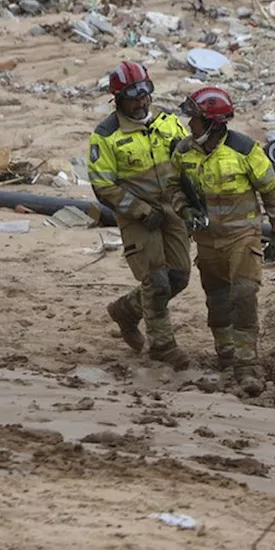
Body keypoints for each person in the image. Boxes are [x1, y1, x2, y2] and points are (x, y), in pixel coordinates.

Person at [172, 86, 275, 395]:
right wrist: (184, 210)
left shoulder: (245, 150)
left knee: (244, 294)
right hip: (207, 240)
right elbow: (175, 188)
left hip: (242, 237)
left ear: (211, 122)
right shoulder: (183, 152)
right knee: (217, 298)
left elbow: (270, 189)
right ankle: (225, 355)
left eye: (193, 119)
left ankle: (246, 364)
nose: (188, 125)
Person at [88, 60, 193, 371]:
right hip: (137, 215)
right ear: (118, 99)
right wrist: (139, 210)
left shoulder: (168, 122)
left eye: (145, 94)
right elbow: (102, 184)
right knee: (157, 281)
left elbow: (188, 162)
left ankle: (127, 310)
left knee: (179, 277)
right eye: (133, 98)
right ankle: (163, 346)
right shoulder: (106, 136)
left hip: (173, 209)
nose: (141, 102)